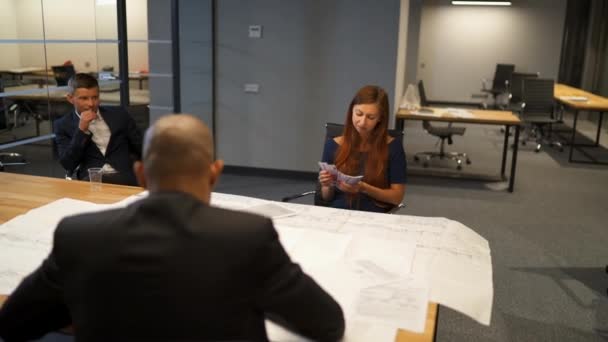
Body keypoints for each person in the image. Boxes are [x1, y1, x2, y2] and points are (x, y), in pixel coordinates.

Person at [0, 114, 345, 342]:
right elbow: (328, 324)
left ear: (139, 175)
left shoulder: (77, 236)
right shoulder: (248, 237)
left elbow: (14, 323)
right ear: (215, 173)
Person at [319, 85, 407, 212]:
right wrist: (326, 186)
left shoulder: (393, 147)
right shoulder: (333, 144)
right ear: (351, 111)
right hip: (339, 212)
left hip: (374, 214)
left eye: (371, 117)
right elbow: (326, 198)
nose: (362, 122)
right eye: (358, 114)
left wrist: (364, 188)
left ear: (380, 118)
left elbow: (397, 198)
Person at [53, 73, 142, 185]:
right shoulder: (63, 125)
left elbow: (141, 147)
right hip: (93, 180)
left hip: (125, 178)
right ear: (70, 99)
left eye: (95, 97)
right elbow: (68, 164)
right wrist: (81, 130)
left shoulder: (119, 114)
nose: (91, 104)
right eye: (84, 98)